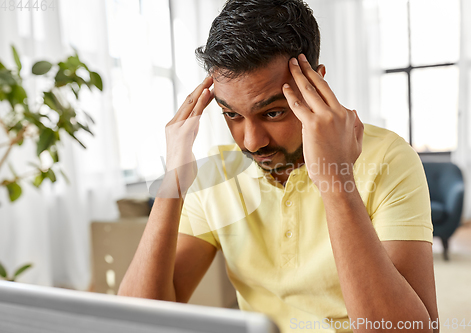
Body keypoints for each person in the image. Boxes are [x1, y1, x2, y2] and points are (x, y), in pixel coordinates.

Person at [118, 1, 439, 332]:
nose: (252, 141)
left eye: (272, 113)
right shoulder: (220, 174)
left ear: (316, 85)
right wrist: (173, 183)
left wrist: (335, 180)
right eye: (232, 114)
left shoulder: (388, 157)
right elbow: (135, 322)